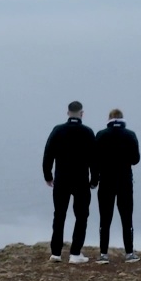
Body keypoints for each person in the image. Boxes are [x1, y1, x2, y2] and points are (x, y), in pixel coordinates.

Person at [42, 101, 97, 263]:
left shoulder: (58, 130)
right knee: (81, 216)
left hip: (61, 179)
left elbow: (48, 154)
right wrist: (94, 179)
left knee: (59, 214)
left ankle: (56, 253)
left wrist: (48, 176)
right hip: (80, 180)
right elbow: (94, 159)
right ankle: (75, 253)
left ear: (68, 113)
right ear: (82, 114)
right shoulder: (87, 132)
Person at [93, 108, 141, 263]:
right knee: (127, 218)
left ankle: (103, 254)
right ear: (122, 119)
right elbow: (135, 159)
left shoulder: (101, 135)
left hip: (106, 181)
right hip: (125, 181)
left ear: (109, 119)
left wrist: (94, 180)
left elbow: (95, 161)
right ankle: (129, 253)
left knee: (105, 219)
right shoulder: (130, 135)